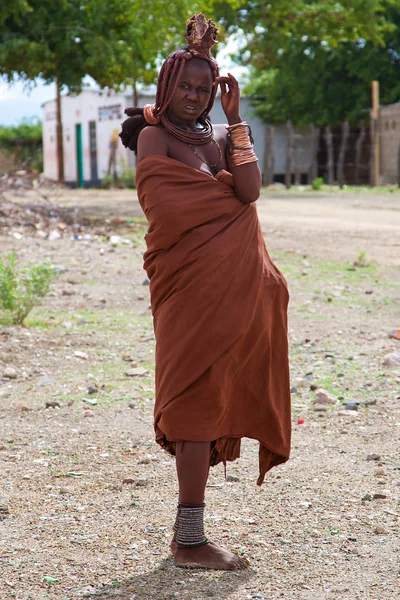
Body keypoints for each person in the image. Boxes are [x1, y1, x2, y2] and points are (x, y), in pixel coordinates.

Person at [120, 14, 291, 571]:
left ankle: (189, 536)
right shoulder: (152, 136)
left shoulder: (220, 137)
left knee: (215, 391)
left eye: (203, 88)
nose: (194, 97)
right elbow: (166, 208)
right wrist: (219, 193)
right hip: (187, 290)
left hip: (235, 292)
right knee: (190, 397)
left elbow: (249, 191)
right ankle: (188, 539)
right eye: (185, 87)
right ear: (167, 88)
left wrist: (236, 123)